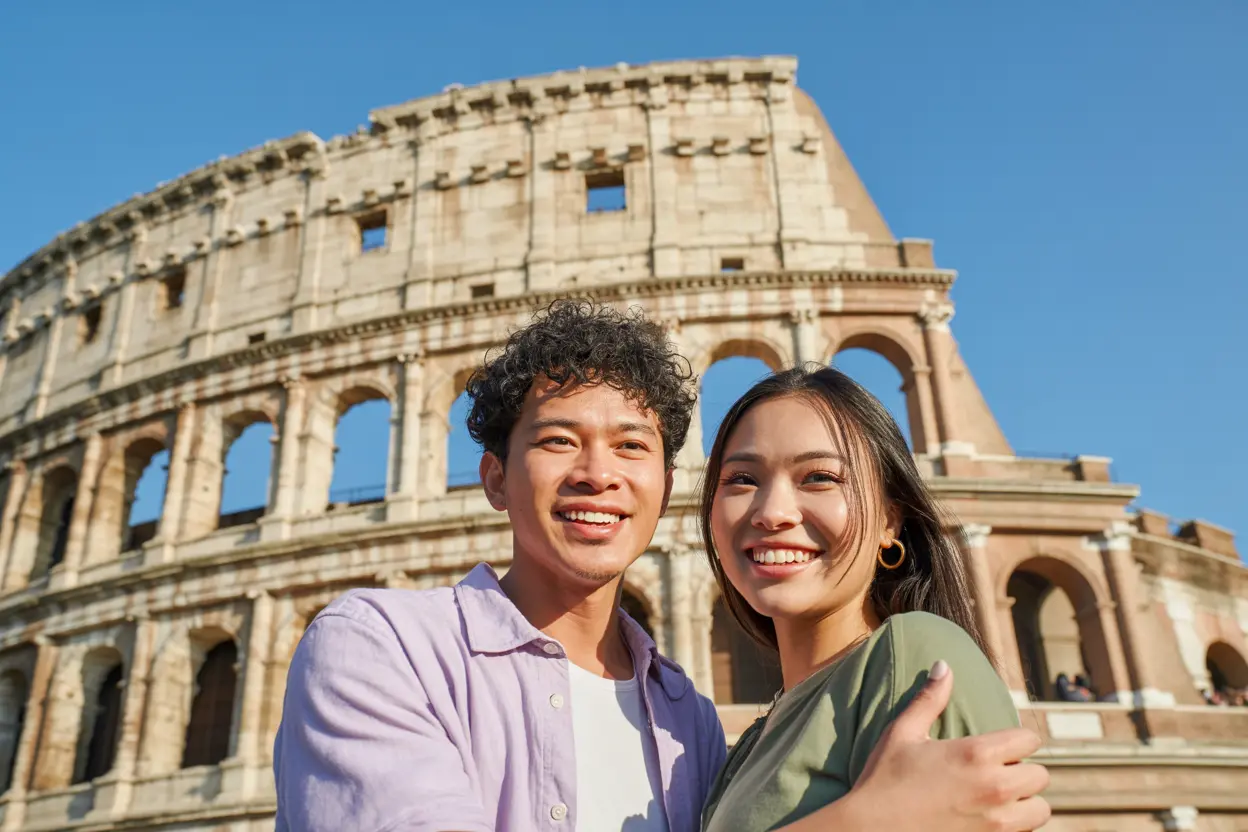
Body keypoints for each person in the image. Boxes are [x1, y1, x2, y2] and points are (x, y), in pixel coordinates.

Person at [273, 300, 1051, 832]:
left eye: (632, 446)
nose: (597, 473)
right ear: (493, 479)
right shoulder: (381, 647)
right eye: (556, 440)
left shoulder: (702, 723)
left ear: (664, 489)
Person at [698, 366, 1050, 832]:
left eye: (819, 477)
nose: (772, 512)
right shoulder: (753, 742)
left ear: (890, 520)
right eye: (741, 479)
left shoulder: (915, 656)